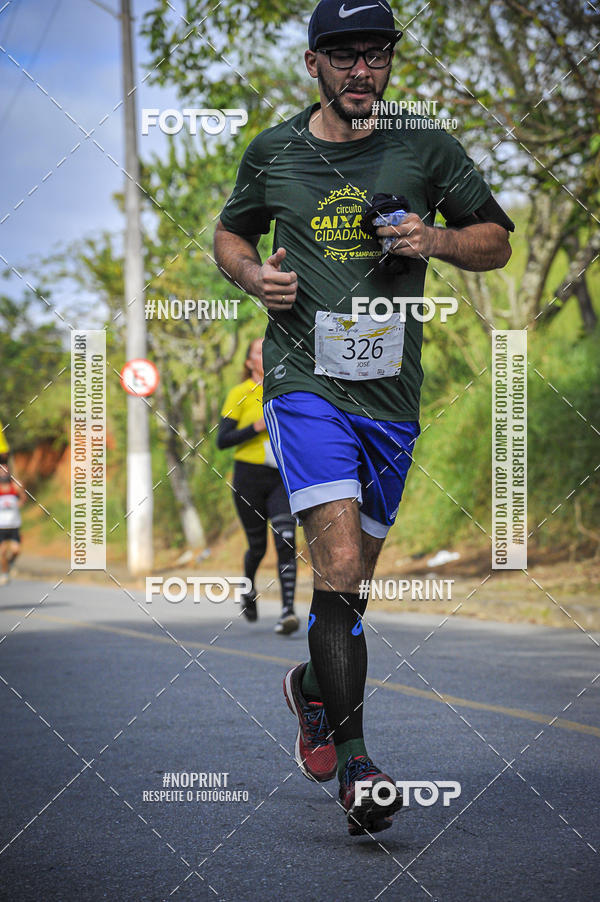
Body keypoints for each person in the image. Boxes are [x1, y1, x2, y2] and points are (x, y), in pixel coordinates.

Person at [214, 0, 514, 835]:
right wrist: (253, 279)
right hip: (303, 383)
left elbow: (497, 238)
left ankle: (311, 689)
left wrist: (436, 241)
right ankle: (359, 769)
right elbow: (229, 235)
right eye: (344, 56)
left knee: (353, 588)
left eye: (375, 55)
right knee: (338, 564)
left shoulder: (427, 148)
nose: (362, 71)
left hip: (390, 397)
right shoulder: (274, 152)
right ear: (314, 64)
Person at [217, 338, 300, 635]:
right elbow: (222, 440)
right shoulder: (239, 394)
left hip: (281, 476)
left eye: (268, 350)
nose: (264, 356)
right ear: (249, 362)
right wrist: (256, 427)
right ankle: (248, 590)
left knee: (286, 539)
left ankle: (288, 611)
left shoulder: (287, 389)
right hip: (248, 478)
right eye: (257, 352)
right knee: (257, 547)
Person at [0, 453, 25, 586]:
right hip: (1, 526)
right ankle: (4, 573)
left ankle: (10, 564)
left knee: (16, 550)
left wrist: (20, 502)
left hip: (14, 524)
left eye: (5, 469)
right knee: (2, 551)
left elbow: (23, 496)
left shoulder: (14, 486)